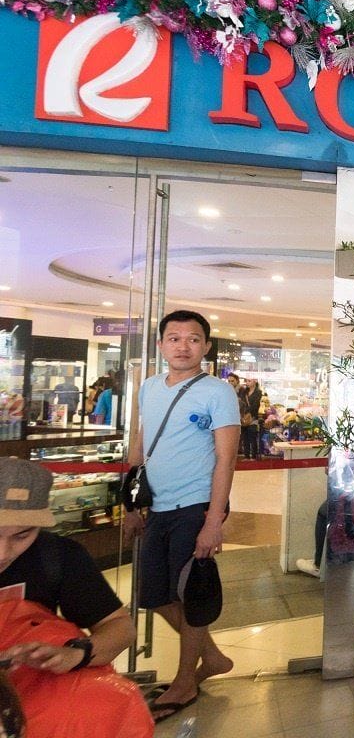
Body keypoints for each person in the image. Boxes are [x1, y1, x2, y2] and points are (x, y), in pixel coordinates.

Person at [122, 310, 240, 724]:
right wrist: (131, 504)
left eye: (193, 339)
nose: (183, 346)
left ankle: (185, 681)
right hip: (157, 506)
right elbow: (140, 445)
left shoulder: (218, 392)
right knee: (155, 595)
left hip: (196, 506)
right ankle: (212, 657)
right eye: (174, 338)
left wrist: (213, 521)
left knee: (191, 595)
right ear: (161, 345)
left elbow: (226, 459)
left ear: (206, 346)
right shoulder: (150, 387)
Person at [0, 457, 151, 734]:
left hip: (30, 700)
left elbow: (120, 628)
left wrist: (75, 654)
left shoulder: (57, 556)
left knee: (106, 705)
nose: (3, 553)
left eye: (22, 535)